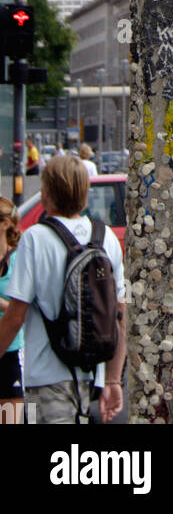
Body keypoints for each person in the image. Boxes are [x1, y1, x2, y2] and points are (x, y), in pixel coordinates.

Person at [0, 155, 126, 424]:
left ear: (45, 194)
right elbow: (120, 316)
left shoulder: (35, 238)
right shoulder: (106, 238)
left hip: (44, 381)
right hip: (94, 379)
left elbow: (14, 317)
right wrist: (113, 380)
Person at [0, 198, 25, 422]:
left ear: (5, 224)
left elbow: (24, 311)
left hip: (11, 353)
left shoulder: (19, 259)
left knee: (12, 419)